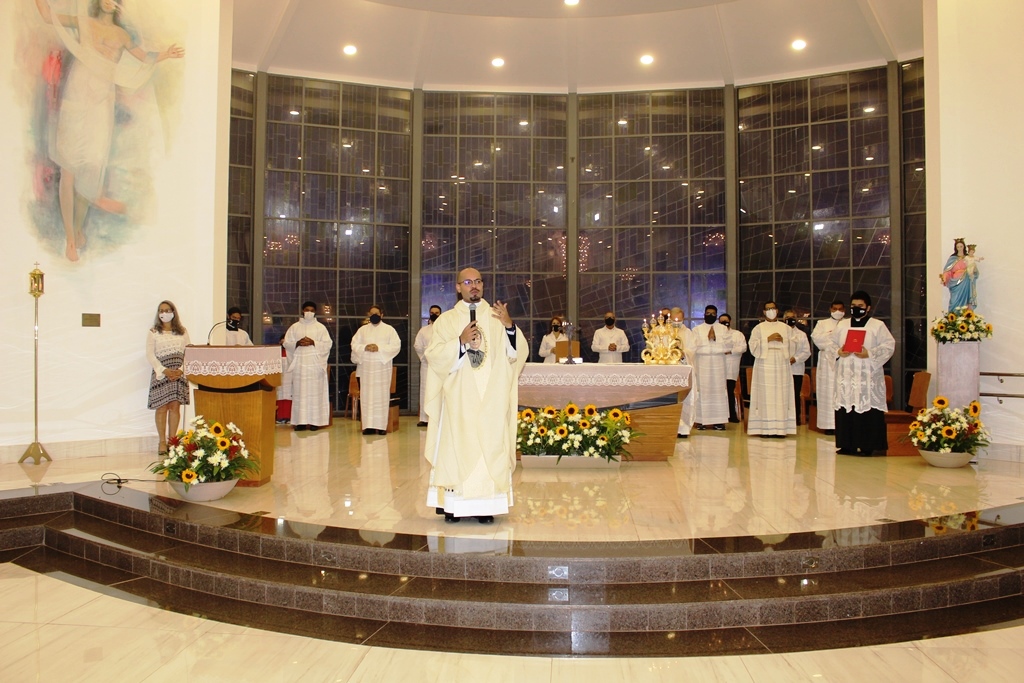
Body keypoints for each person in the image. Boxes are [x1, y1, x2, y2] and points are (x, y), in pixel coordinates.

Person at [34, 0, 184, 262]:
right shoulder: (84, 22)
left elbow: (143, 57)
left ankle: (78, 228)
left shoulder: (121, 35)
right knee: (69, 168)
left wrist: (166, 54)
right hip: (77, 95)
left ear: (117, 5)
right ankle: (70, 238)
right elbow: (49, 17)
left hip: (101, 101)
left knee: (91, 169)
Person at [424, 268, 528, 524]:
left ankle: (485, 506)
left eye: (478, 281)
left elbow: (516, 354)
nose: (474, 286)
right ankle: (453, 505)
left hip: (491, 397)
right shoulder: (447, 320)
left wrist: (510, 327)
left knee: (488, 447)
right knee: (456, 447)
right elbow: (434, 355)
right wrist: (459, 342)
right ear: (458, 287)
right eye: (468, 282)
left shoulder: (496, 317)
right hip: (459, 399)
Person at [833, 291, 895, 456]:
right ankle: (847, 445)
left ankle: (868, 446)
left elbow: (889, 345)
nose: (856, 308)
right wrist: (839, 351)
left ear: (868, 308)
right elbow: (830, 344)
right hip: (846, 376)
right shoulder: (842, 325)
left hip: (867, 376)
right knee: (846, 408)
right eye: (853, 306)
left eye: (860, 306)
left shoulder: (877, 326)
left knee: (867, 409)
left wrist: (870, 353)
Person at [146, 300, 190, 455]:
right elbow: (150, 354)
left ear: (173, 312)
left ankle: (173, 442)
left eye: (167, 310)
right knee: (162, 408)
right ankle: (162, 442)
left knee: (174, 407)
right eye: (161, 310)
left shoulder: (182, 331)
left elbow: (189, 352)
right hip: (161, 374)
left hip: (178, 374)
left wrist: (180, 370)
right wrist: (164, 370)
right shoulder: (153, 332)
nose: (164, 313)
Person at [747, 300, 796, 437]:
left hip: (781, 363)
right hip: (764, 362)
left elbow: (794, 344)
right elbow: (752, 346)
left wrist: (783, 341)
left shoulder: (786, 328)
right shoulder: (758, 328)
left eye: (773, 308)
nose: (771, 311)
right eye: (768, 309)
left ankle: (781, 429)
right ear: (764, 312)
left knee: (781, 394)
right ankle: (765, 429)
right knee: (765, 394)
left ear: (777, 310)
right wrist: (767, 339)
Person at [351, 305, 401, 436]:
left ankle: (381, 426)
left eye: (377, 313)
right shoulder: (362, 330)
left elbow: (396, 346)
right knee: (367, 397)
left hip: (381, 369)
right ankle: (368, 426)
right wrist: (365, 347)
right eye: (372, 313)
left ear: (382, 315)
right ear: (368, 315)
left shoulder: (389, 330)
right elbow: (354, 344)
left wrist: (379, 348)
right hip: (366, 368)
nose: (374, 315)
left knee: (381, 396)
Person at [283, 301, 332, 432]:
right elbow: (286, 343)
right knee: (300, 393)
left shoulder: (320, 328)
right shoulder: (294, 327)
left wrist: (313, 342)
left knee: (315, 393)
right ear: (302, 311)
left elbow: (328, 344)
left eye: (311, 310)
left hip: (315, 366)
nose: (309, 312)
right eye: (306, 310)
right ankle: (301, 422)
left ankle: (315, 422)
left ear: (315, 312)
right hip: (300, 366)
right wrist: (297, 343)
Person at [691, 305, 731, 431]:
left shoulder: (723, 329)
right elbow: (693, 347)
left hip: (719, 364)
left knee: (718, 390)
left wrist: (716, 339)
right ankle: (701, 421)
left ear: (716, 315)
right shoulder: (697, 329)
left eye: (713, 314)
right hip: (702, 364)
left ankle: (718, 421)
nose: (710, 315)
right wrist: (707, 340)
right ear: (704, 314)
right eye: (708, 313)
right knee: (703, 391)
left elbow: (729, 346)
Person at [810, 300, 846, 435]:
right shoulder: (822, 324)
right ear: (830, 310)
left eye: (840, 309)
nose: (837, 311)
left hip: (844, 359)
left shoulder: (848, 323)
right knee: (828, 392)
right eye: (835, 309)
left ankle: (843, 424)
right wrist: (832, 336)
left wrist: (834, 338)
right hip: (827, 363)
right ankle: (829, 425)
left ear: (844, 310)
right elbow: (817, 339)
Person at [668, 307, 696, 438]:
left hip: (683, 368)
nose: (676, 323)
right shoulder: (664, 331)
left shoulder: (688, 333)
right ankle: (669, 426)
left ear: (683, 318)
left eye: (679, 320)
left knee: (683, 399)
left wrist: (683, 353)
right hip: (668, 370)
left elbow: (692, 349)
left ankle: (683, 428)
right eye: (674, 320)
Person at [413, 304, 443, 427]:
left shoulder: (445, 329)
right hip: (427, 365)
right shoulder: (423, 331)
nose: (434, 315)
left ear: (440, 314)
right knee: (425, 390)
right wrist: (425, 356)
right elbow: (417, 346)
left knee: (439, 390)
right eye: (432, 313)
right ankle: (424, 418)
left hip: (441, 365)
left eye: (437, 313)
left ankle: (439, 417)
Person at [782, 310, 812, 425]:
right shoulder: (779, 333)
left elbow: (806, 352)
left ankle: (795, 419)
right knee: (782, 395)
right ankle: (782, 418)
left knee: (794, 394)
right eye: (788, 317)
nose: (790, 319)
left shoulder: (801, 334)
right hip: (781, 369)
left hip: (796, 369)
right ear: (784, 319)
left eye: (792, 317)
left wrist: (795, 359)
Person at [718, 312, 747, 423]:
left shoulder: (737, 334)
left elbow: (743, 348)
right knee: (719, 392)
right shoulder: (716, 335)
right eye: (721, 321)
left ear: (730, 321)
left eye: (725, 321)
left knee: (730, 391)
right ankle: (720, 415)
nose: (724, 323)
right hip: (718, 367)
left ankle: (732, 415)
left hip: (731, 368)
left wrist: (730, 351)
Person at [940, 238, 971, 310]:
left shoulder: (968, 258)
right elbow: (947, 270)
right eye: (958, 247)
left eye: (961, 246)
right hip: (955, 282)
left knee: (965, 298)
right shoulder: (953, 258)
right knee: (954, 299)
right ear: (956, 248)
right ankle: (953, 313)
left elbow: (973, 268)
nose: (960, 248)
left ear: (964, 247)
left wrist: (972, 273)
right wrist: (944, 278)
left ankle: (964, 313)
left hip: (966, 281)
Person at [965, 243, 983, 308]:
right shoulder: (966, 257)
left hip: (972, 272)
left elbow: (977, 258)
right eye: (971, 252)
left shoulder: (973, 258)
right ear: (968, 252)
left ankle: (971, 301)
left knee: (972, 288)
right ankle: (967, 302)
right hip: (967, 271)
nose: (972, 253)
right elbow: (963, 262)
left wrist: (980, 258)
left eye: (973, 252)